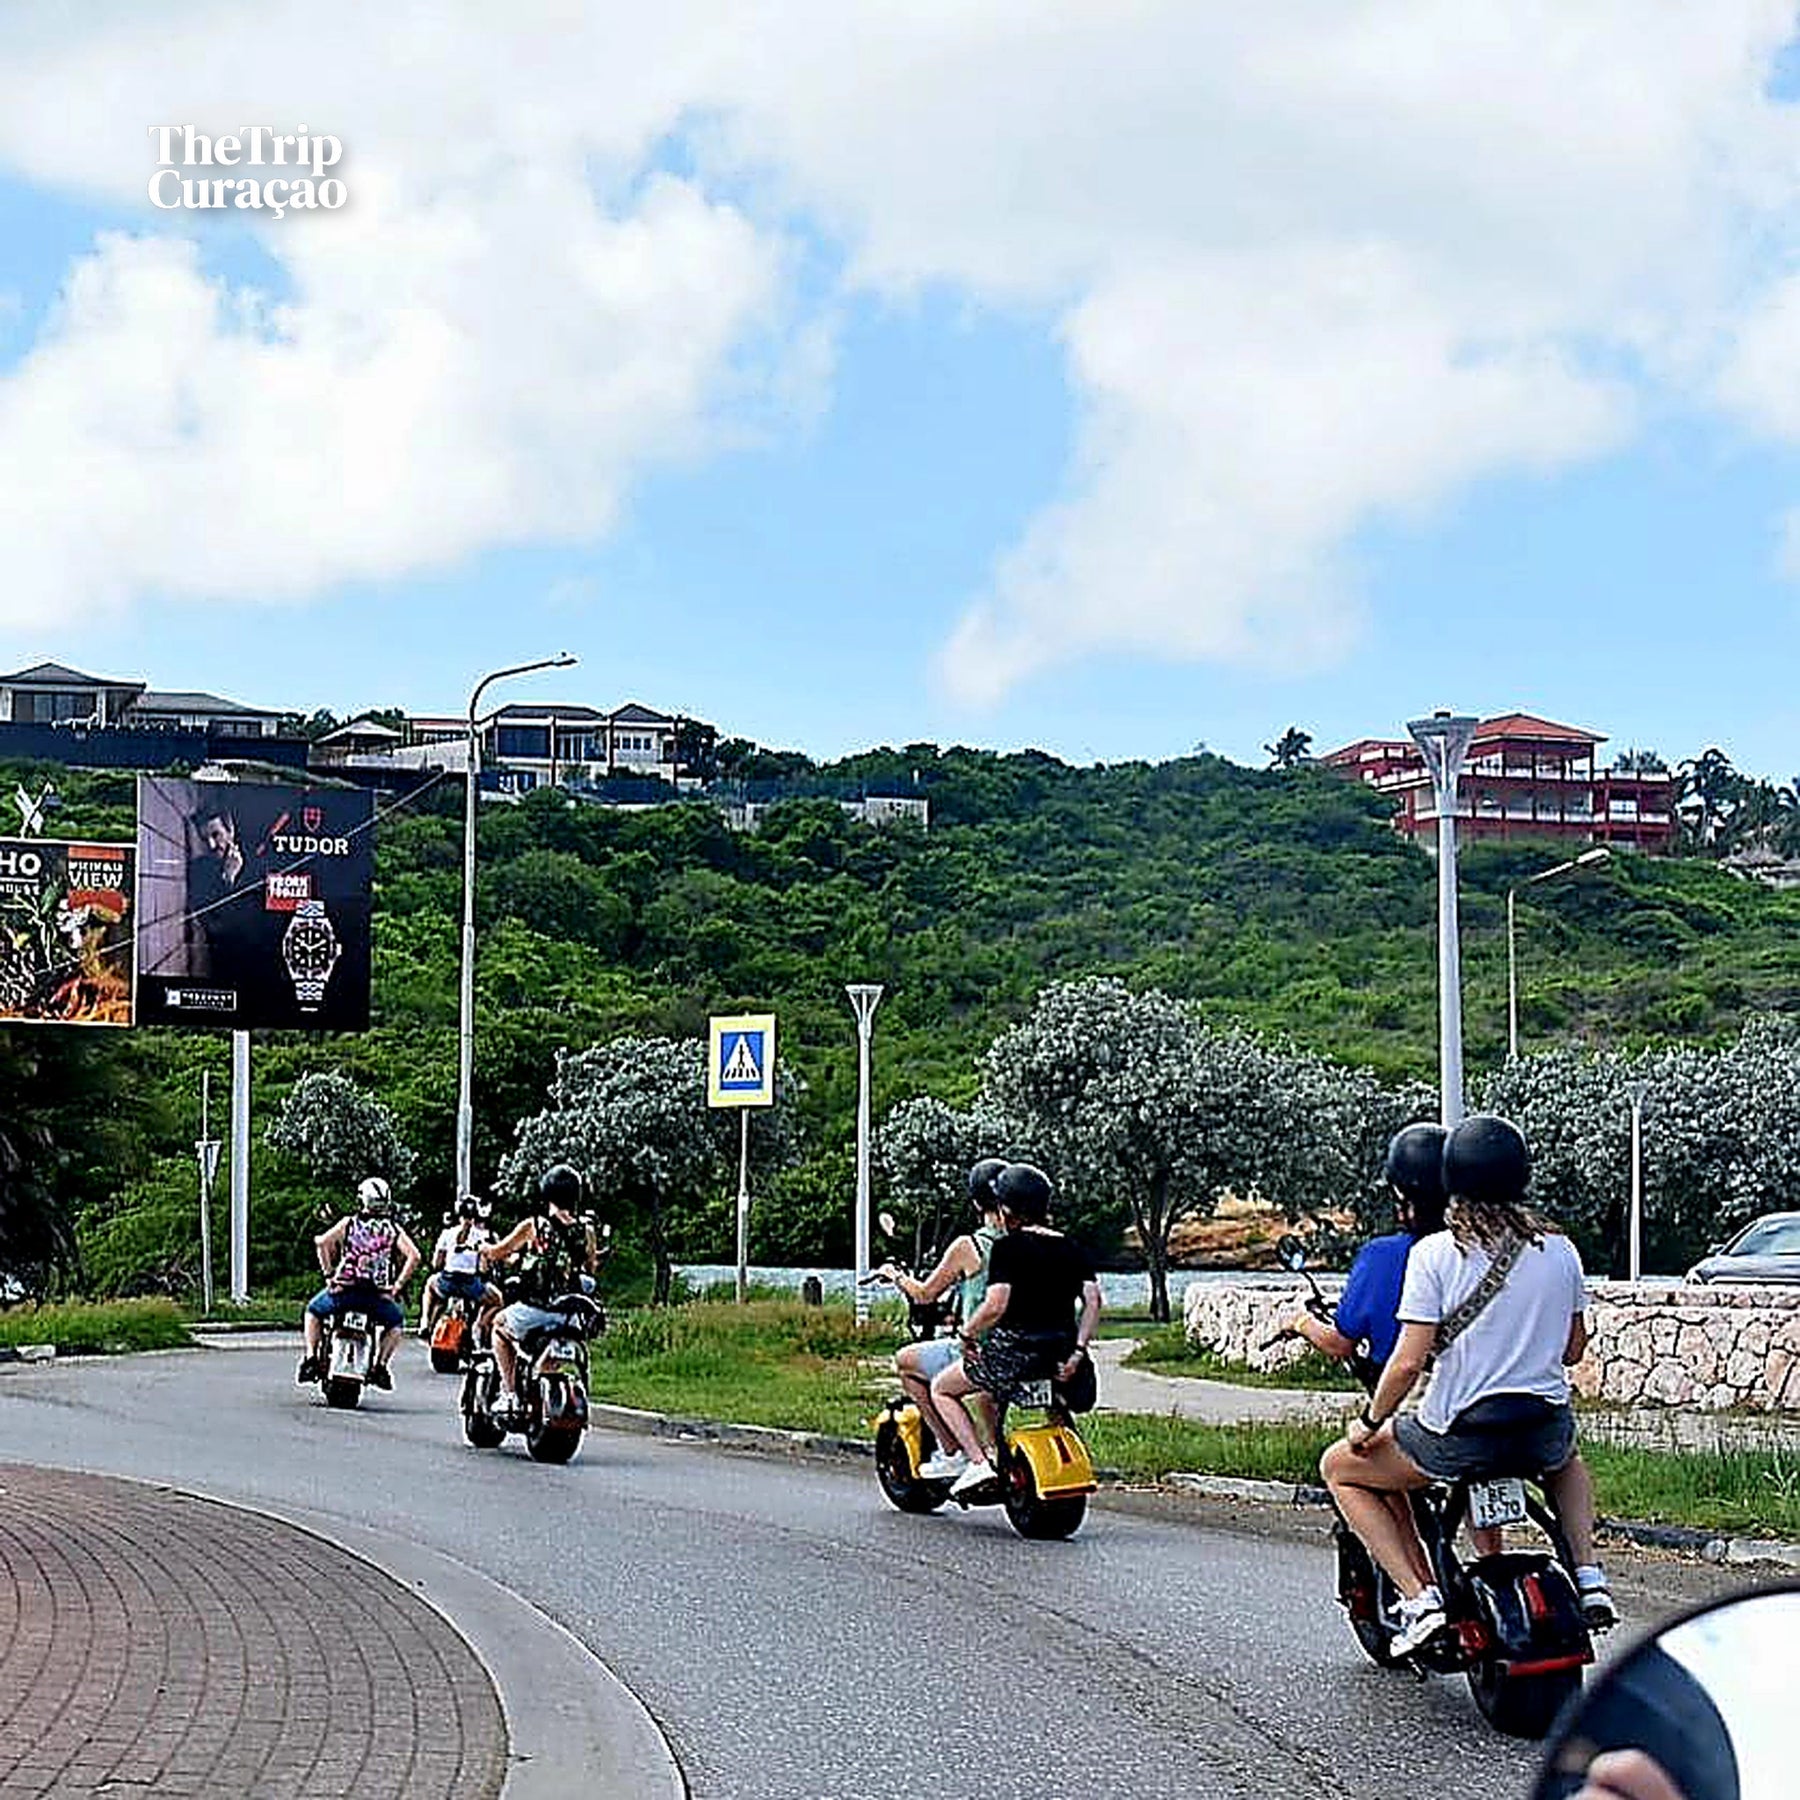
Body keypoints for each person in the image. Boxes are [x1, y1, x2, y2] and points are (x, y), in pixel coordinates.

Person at [1319, 1114, 1616, 1657]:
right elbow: (1573, 1351)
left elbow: (1408, 1364)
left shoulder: (1435, 1255)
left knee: (1340, 1469)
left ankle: (1418, 1599)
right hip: (1539, 1431)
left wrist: (1368, 1425)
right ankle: (1589, 1573)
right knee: (1567, 1457)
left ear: (1451, 1180)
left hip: (1460, 1435)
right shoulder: (1561, 1251)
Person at [1290, 1121, 1503, 1568]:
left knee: (1368, 1468)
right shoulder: (1491, 1250)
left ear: (1403, 1197)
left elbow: (1342, 1342)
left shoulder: (1388, 1256)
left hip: (1423, 1406)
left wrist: (1299, 1321)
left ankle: (1418, 1588)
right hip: (1491, 1398)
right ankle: (1491, 1560)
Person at [932, 1161, 1102, 1498]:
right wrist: (1078, 1351)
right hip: (1058, 1353)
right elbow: (1093, 1301)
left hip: (1014, 1354)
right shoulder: (1072, 1247)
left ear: (1007, 1209)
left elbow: (996, 1305)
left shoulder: (1008, 1248)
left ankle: (979, 1461)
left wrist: (966, 1334)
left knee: (942, 1388)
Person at [873, 1156, 1007, 1482]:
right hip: (1018, 1342)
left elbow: (924, 1294)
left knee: (906, 1361)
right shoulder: (1027, 1240)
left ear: (976, 1201)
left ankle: (953, 1453)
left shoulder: (969, 1245)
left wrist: (895, 1276)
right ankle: (994, 1451)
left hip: (979, 1346)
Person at [481, 1164, 601, 1418]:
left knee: (499, 1326)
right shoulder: (587, 1231)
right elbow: (590, 1267)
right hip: (570, 1315)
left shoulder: (534, 1226)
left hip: (538, 1309)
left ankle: (510, 1394)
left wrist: (483, 1248)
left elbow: (497, 1252)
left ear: (546, 1193)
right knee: (548, 1363)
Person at [297, 1176, 421, 1389]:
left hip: (344, 1291)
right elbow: (415, 1256)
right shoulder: (392, 1229)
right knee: (396, 1323)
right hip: (376, 1296)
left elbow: (322, 1243)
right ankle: (381, 1366)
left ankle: (311, 1359)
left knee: (313, 1312)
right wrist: (397, 1286)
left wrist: (329, 1275)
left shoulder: (349, 1223)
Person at [186, 797, 268, 976]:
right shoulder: (199, 871)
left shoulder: (257, 866)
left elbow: (257, 924)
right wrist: (227, 880)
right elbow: (215, 928)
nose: (211, 845)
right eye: (204, 838)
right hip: (223, 967)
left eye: (216, 835)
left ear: (230, 829)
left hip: (259, 965)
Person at [418, 1193, 500, 1342]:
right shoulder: (481, 1236)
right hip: (470, 1284)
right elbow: (483, 1269)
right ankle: (479, 1325)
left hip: (448, 1282)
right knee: (497, 1300)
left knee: (430, 1284)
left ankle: (425, 1322)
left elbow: (436, 1263)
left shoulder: (446, 1233)